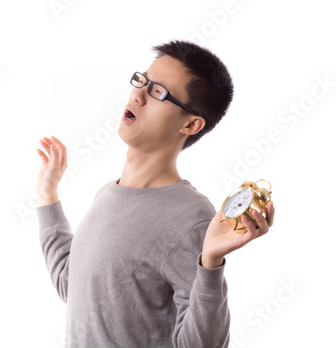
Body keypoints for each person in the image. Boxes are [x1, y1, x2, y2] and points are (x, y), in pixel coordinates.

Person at [35, 40, 275, 348]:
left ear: (191, 124)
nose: (137, 94)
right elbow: (71, 285)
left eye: (157, 92)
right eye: (142, 81)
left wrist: (211, 262)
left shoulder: (192, 219)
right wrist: (47, 195)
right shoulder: (108, 195)